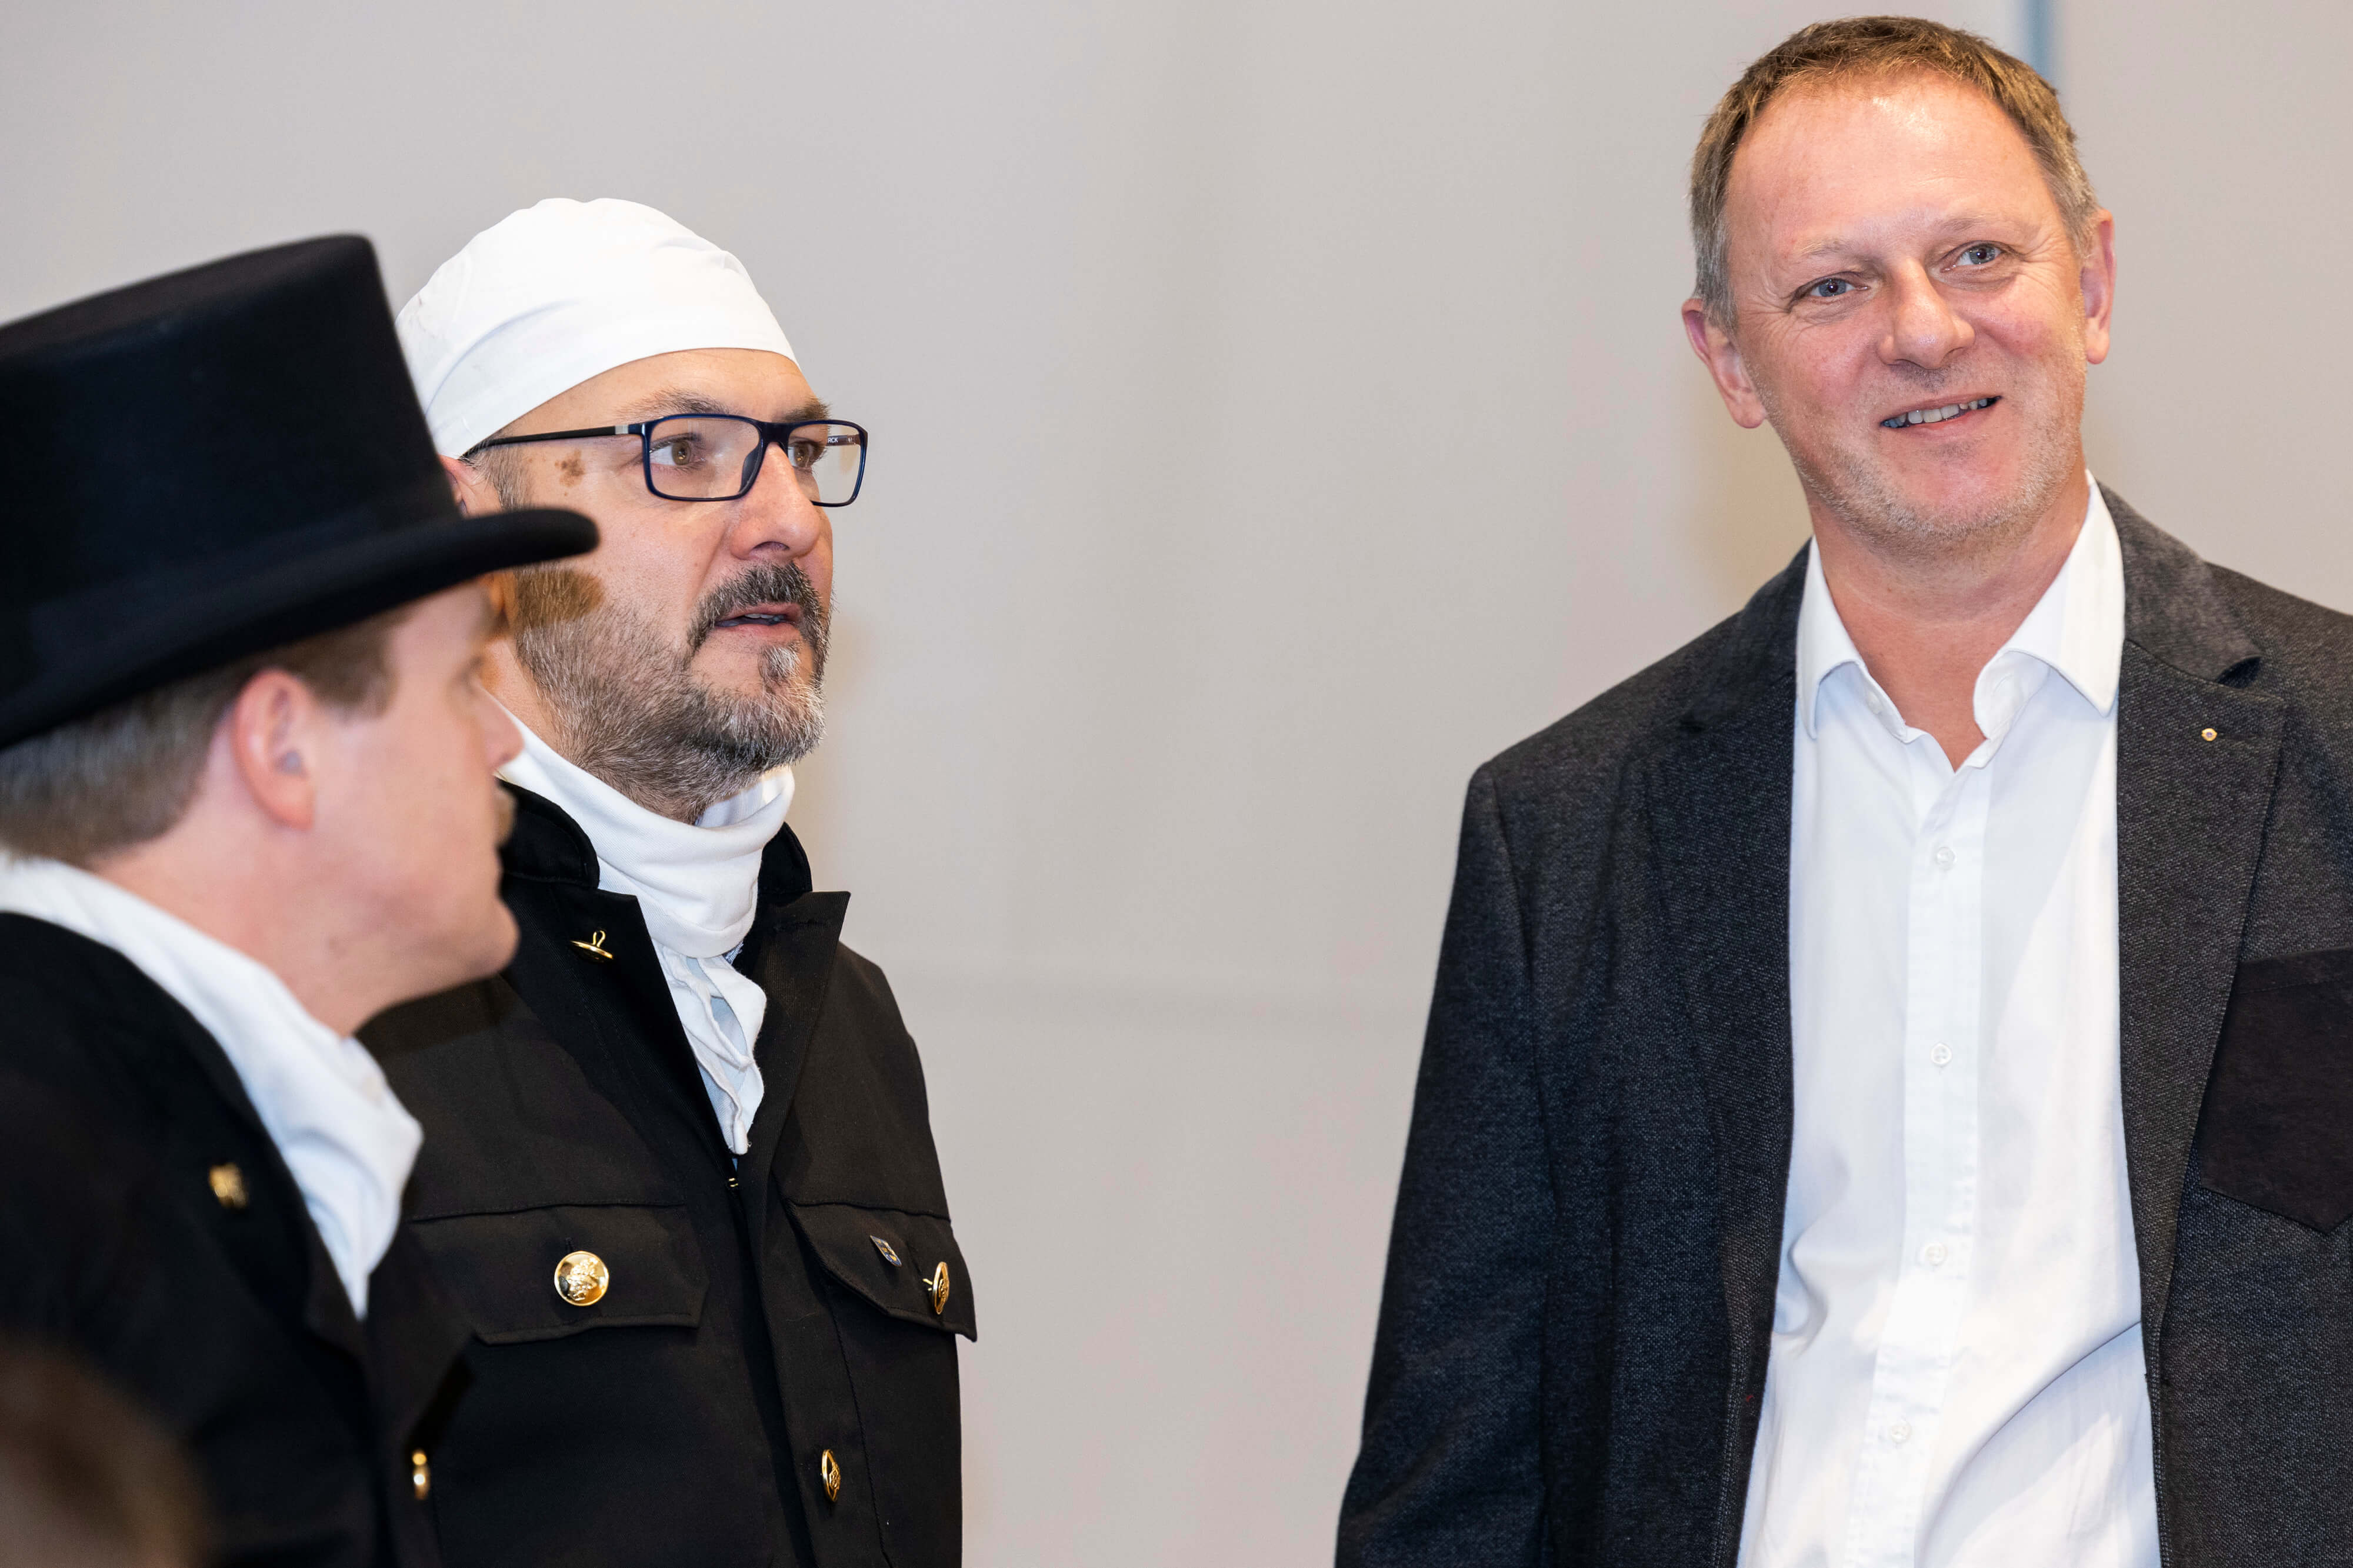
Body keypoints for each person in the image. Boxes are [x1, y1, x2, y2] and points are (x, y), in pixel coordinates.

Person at [1341, 16, 2353, 1567]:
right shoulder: (1567, 831)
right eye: (1831, 285)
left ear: (2090, 284)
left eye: (1976, 256)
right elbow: (1453, 1475)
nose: (1924, 331)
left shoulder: (2332, 749)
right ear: (1728, 362)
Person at [366, 198, 971, 1567]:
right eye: (684, 451)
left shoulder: (846, 1019)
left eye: (800, 453)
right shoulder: (347, 998)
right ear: (471, 532)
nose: (787, 519)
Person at [0, 238, 596, 1567]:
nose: (501, 740)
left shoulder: (191, 1121)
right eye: (461, 679)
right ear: (283, 746)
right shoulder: (40, 1173)